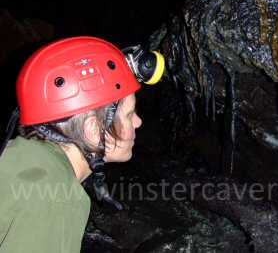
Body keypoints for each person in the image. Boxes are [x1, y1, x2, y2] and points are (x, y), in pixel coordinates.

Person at [0, 36, 162, 252]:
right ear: (94, 130)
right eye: (130, 113)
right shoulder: (57, 200)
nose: (138, 122)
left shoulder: (16, 155)